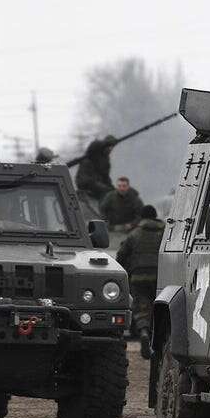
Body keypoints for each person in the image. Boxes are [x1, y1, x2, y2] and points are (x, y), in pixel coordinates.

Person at [116, 204, 164, 358]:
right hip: (161, 278)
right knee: (160, 309)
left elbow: (121, 256)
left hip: (139, 278)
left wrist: (127, 274)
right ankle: (159, 342)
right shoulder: (165, 232)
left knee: (142, 308)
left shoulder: (134, 234)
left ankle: (144, 332)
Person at [75, 135, 116, 200]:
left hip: (97, 185)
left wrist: (113, 189)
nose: (110, 149)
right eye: (108, 146)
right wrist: (106, 142)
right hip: (86, 181)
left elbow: (106, 177)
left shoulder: (106, 162)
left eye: (112, 147)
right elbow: (94, 146)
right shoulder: (93, 152)